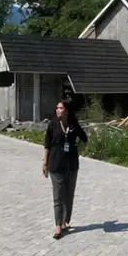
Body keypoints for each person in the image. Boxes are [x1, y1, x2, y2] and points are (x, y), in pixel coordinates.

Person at [42, 100, 88, 239]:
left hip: (71, 165)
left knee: (68, 196)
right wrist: (45, 163)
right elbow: (46, 144)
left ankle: (65, 221)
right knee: (58, 196)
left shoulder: (73, 125)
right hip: (55, 165)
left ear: (67, 110)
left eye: (60, 108)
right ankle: (58, 226)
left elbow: (84, 139)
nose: (57, 110)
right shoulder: (53, 125)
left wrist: (76, 149)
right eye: (57, 108)